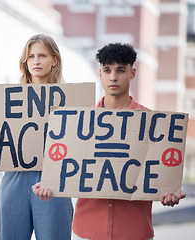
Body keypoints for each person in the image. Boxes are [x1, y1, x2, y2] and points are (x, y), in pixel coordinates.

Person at [32, 42, 186, 240]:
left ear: (133, 73)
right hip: (86, 231)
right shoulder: (77, 124)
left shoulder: (155, 125)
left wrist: (167, 193)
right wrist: (50, 184)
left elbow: (160, 175)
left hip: (134, 232)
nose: (113, 77)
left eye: (120, 70)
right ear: (100, 74)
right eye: (107, 70)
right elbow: (67, 167)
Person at [0, 34, 74, 240]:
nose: (36, 61)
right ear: (25, 63)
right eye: (31, 57)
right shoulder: (6, 100)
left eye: (42, 55)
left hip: (52, 182)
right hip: (14, 179)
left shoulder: (70, 100)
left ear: (54, 60)